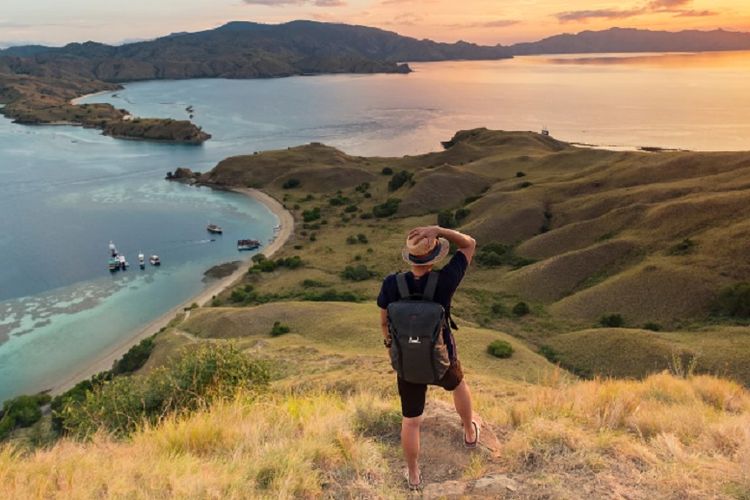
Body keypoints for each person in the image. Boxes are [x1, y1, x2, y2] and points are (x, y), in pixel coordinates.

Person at [377, 225, 478, 490]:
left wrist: (393, 350)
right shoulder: (444, 281)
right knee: (459, 385)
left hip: (407, 364)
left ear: (410, 258)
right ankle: (469, 431)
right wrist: (439, 230)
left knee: (411, 421)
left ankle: (413, 475)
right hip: (442, 357)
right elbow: (469, 244)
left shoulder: (392, 283)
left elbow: (384, 323)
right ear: (434, 259)